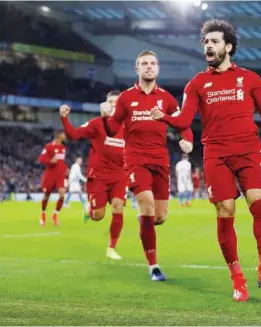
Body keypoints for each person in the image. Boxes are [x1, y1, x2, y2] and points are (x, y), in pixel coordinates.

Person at [151, 19, 261, 302]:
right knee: (225, 212)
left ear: (229, 47)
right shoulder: (197, 83)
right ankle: (238, 279)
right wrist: (166, 118)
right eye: (205, 42)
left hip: (248, 149)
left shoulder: (250, 78)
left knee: (258, 203)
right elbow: (185, 119)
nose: (208, 45)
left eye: (214, 41)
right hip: (216, 153)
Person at [101, 50, 194, 281]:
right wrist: (105, 116)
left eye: (153, 63)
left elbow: (183, 122)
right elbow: (113, 129)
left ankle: (144, 221)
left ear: (158, 68)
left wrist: (188, 139)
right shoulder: (125, 98)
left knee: (159, 217)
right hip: (135, 159)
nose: (149, 67)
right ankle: (154, 267)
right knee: (147, 206)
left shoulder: (166, 99)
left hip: (160, 160)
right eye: (144, 63)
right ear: (137, 69)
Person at [60, 90, 125, 260]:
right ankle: (90, 210)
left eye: (117, 102)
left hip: (120, 176)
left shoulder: (128, 126)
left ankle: (111, 247)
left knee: (118, 208)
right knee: (99, 216)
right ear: (105, 104)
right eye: (110, 101)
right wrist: (64, 118)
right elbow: (73, 135)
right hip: (98, 177)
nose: (113, 105)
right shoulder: (97, 124)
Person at [38, 130, 67, 227]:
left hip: (60, 176)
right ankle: (43, 214)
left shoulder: (63, 147)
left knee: (62, 195)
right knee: (46, 196)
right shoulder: (49, 146)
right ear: (58, 135)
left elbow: (61, 162)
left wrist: (66, 168)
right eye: (63, 134)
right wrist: (50, 161)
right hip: (50, 175)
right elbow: (41, 159)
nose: (65, 136)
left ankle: (55, 215)